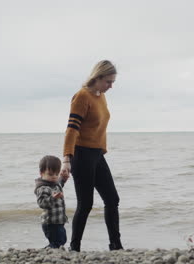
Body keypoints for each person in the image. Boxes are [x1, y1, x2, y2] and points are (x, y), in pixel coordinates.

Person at [60, 60, 123, 252]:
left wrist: (101, 150)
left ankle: (116, 245)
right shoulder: (82, 97)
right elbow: (72, 129)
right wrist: (67, 159)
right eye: (108, 82)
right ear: (98, 77)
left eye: (113, 82)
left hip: (96, 155)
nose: (111, 86)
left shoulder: (101, 96)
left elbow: (99, 126)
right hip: (81, 154)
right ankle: (75, 247)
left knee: (112, 199)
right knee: (86, 204)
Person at [34, 155, 69, 248]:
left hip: (58, 220)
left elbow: (59, 183)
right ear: (41, 173)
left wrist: (63, 179)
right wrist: (52, 198)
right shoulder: (42, 188)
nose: (54, 177)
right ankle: (49, 251)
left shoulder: (54, 183)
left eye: (56, 174)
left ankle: (50, 249)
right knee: (57, 241)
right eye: (50, 174)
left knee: (62, 239)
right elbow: (41, 203)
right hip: (50, 222)